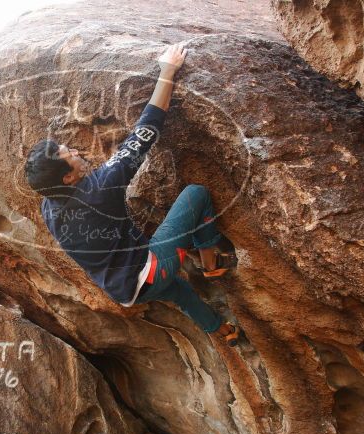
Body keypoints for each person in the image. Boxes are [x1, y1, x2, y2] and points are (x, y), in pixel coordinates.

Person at [25, 43, 239, 346]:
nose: (75, 150)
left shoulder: (49, 206)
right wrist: (168, 69)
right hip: (149, 271)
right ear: (68, 176)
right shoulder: (101, 187)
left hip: (124, 290)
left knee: (180, 292)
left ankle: (221, 330)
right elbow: (145, 131)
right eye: (68, 154)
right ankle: (210, 263)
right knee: (196, 194)